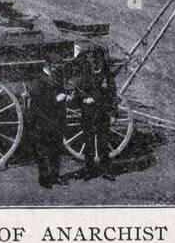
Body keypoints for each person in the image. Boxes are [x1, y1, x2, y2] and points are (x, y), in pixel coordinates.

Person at [75, 47, 118, 180]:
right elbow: (78, 91)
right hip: (88, 113)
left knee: (103, 143)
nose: (94, 63)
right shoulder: (85, 75)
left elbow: (113, 95)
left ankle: (107, 170)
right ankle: (89, 170)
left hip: (102, 113)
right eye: (91, 60)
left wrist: (113, 114)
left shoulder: (107, 76)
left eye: (96, 60)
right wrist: (84, 99)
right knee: (88, 143)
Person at [29, 61, 69, 189]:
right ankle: (44, 179)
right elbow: (38, 100)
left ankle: (55, 175)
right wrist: (56, 99)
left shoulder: (56, 76)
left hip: (56, 119)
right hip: (43, 120)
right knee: (44, 150)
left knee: (56, 149)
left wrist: (66, 97)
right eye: (53, 66)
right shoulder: (38, 80)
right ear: (47, 66)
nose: (55, 68)